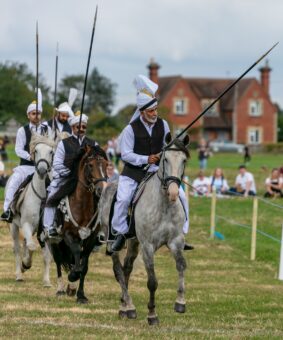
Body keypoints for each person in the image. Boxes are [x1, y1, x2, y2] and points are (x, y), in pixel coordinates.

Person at [111, 75, 191, 252]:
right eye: (150, 111)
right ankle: (120, 233)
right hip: (133, 172)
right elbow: (126, 155)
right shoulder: (130, 129)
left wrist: (168, 152)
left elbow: (166, 146)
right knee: (123, 199)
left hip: (156, 171)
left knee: (183, 196)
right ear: (142, 112)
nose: (154, 114)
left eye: (155, 110)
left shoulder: (164, 125)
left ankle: (181, 233)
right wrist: (145, 159)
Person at [43, 111, 97, 237]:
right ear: (73, 127)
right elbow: (57, 163)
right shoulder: (64, 143)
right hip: (66, 178)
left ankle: (99, 230)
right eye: (78, 127)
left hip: (88, 181)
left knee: (102, 197)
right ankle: (49, 226)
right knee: (52, 195)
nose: (81, 129)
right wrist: (70, 173)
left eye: (84, 127)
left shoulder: (93, 144)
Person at [0, 89, 50, 222]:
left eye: (38, 113)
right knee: (13, 183)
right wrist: (30, 157)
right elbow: (18, 150)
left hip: (45, 168)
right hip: (26, 167)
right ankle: (7, 210)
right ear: (28, 115)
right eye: (34, 113)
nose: (36, 116)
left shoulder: (47, 129)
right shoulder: (22, 130)